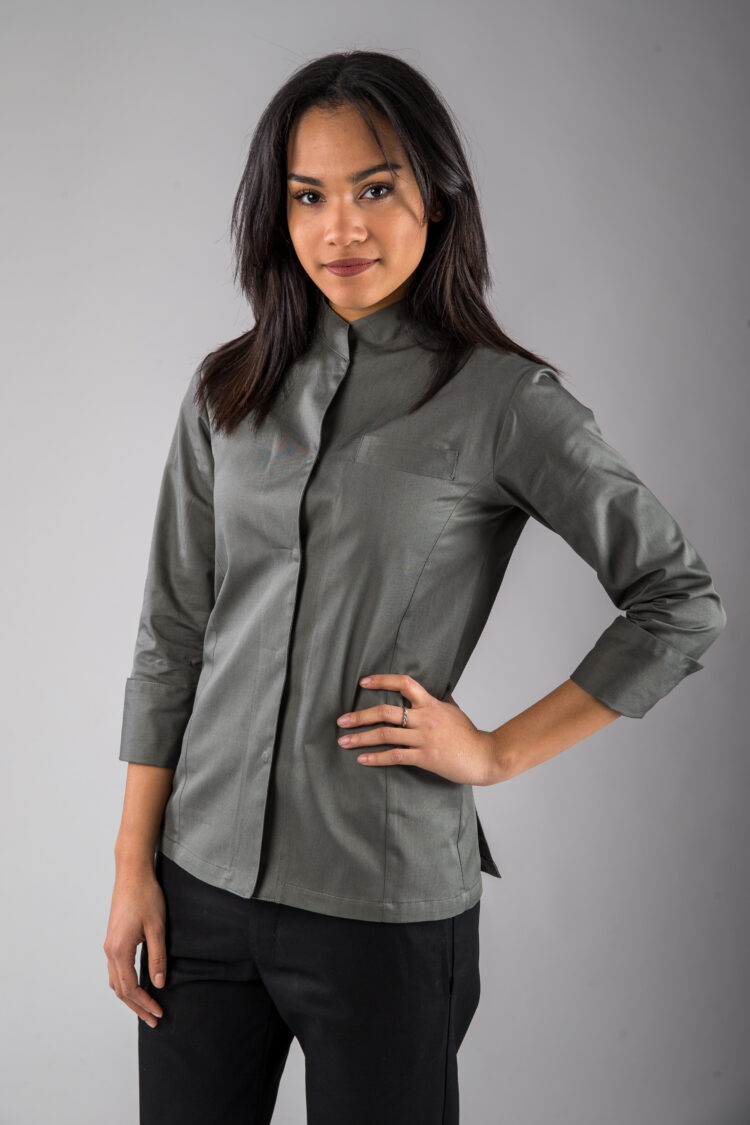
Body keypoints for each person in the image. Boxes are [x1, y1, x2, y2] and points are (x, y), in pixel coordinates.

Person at [103, 49, 727, 1125]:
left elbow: (679, 598)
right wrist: (132, 866)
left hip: (381, 911)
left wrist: (495, 752)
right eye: (308, 197)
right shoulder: (227, 390)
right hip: (197, 888)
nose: (339, 228)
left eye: (374, 188)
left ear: (436, 196)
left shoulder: (503, 401)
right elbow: (172, 633)